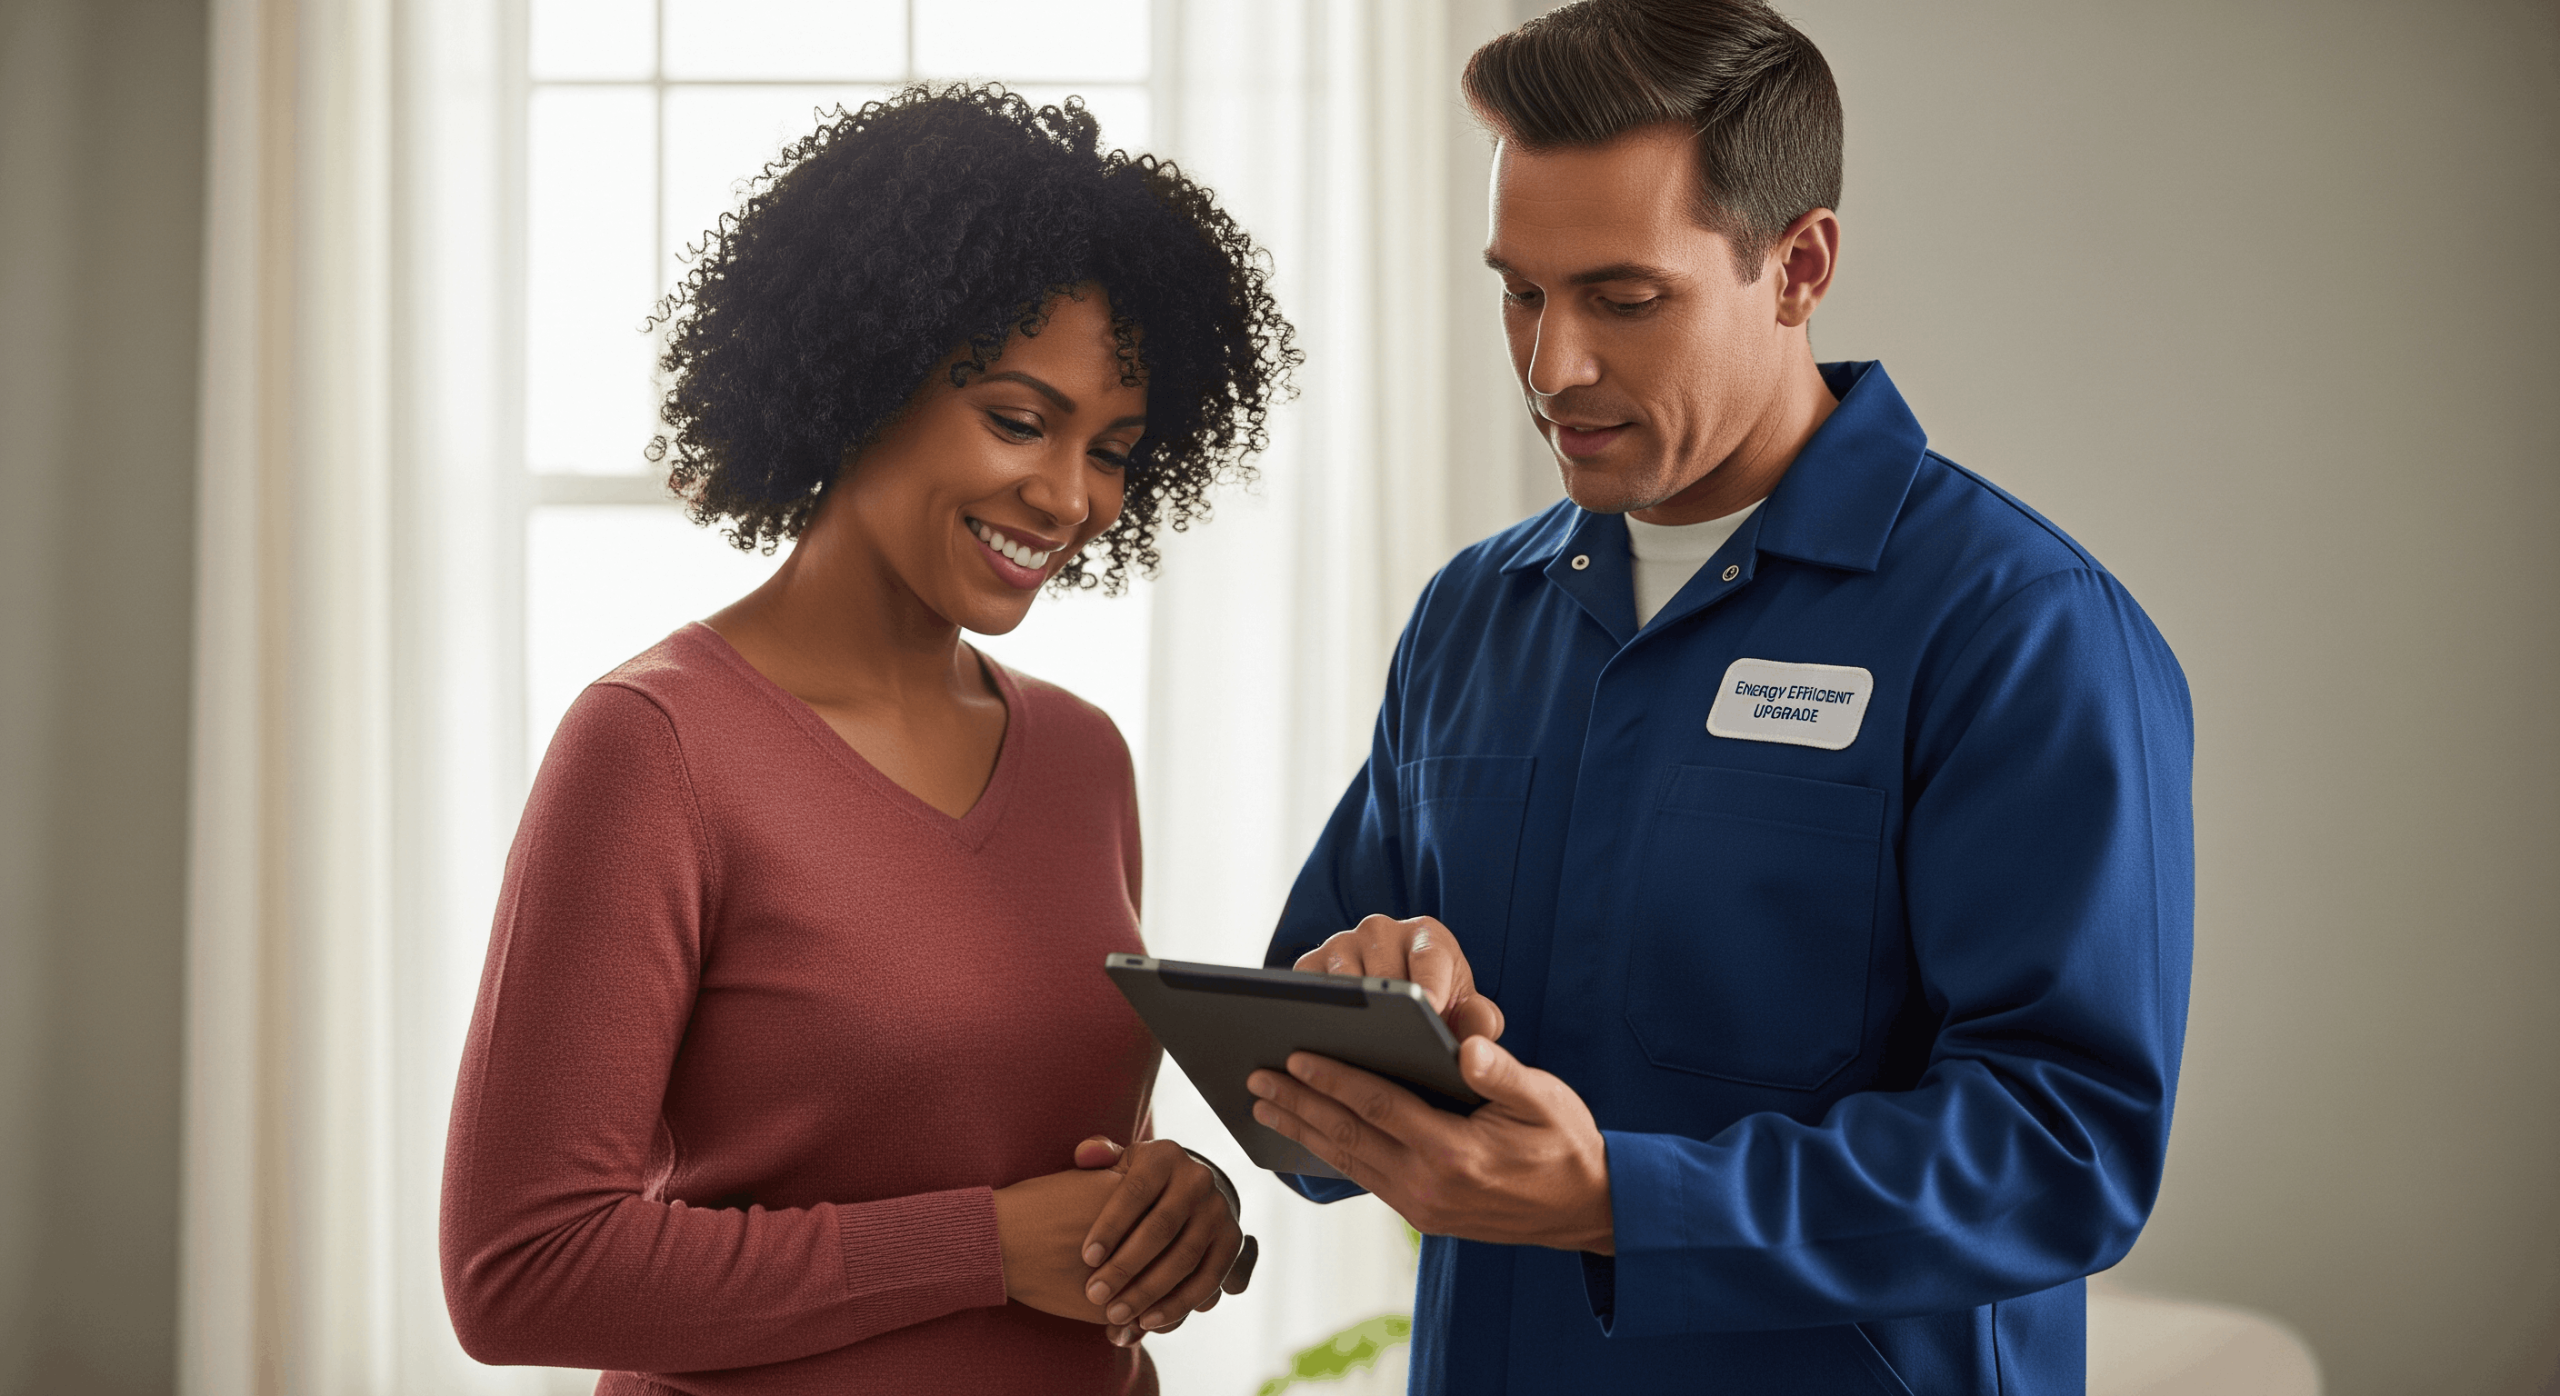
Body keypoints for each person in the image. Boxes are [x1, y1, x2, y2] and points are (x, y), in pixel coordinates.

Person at [1247, 3, 2194, 1392]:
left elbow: (2064, 1151)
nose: (1552, 365)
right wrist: (1374, 1006)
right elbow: (1290, 1082)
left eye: (1623, 299)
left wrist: (1620, 1204)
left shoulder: (2016, 628)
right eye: (1521, 291)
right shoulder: (1474, 614)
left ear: (1798, 264)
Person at [441, 86, 1297, 1395]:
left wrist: (1170, 1214)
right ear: (859, 375)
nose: (1070, 497)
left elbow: (1037, 1164)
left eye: (1113, 448)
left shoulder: (1084, 760)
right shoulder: (657, 745)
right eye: (1019, 420)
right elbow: (523, 1272)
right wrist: (983, 1248)